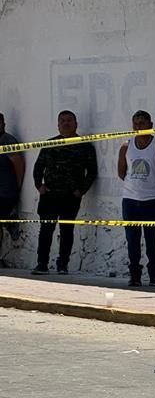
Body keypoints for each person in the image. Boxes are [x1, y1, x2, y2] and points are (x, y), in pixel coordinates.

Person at [31, 110, 98, 275]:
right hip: (50, 195)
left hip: (70, 197)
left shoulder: (84, 146)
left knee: (67, 231)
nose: (66, 124)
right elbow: (38, 167)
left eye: (69, 121)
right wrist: (39, 186)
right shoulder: (50, 144)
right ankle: (42, 264)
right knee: (46, 231)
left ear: (76, 124)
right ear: (58, 125)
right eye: (62, 121)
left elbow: (92, 171)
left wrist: (81, 191)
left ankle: (63, 264)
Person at [117, 110, 155, 287]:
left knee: (151, 239)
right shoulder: (126, 146)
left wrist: (153, 185)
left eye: (143, 123)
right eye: (136, 123)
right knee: (132, 240)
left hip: (150, 200)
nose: (139, 126)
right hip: (130, 200)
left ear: (151, 125)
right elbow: (121, 172)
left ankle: (154, 276)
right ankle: (135, 275)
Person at [0, 113, 25, 264]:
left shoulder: (7, 140)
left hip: (4, 192)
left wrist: (17, 186)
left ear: (3, 124)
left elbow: (19, 164)